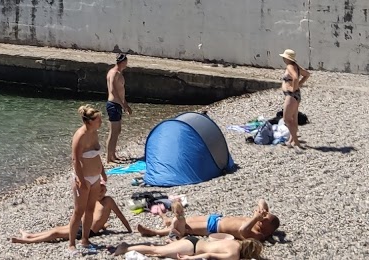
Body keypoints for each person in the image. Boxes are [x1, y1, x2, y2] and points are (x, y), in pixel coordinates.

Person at [135, 197, 281, 241]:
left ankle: (153, 232)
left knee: (183, 229)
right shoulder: (261, 222)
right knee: (181, 219)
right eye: (263, 216)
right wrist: (261, 209)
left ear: (268, 230)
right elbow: (262, 200)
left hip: (213, 228)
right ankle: (165, 218)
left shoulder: (259, 235)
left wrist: (255, 217)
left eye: (264, 220)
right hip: (215, 218)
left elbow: (243, 230)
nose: (261, 218)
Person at [11, 194, 133, 243]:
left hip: (87, 230)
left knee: (56, 233)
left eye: (103, 189)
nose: (101, 192)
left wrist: (129, 230)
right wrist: (103, 226)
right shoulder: (94, 199)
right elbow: (98, 216)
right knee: (57, 228)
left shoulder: (108, 201)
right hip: (82, 223)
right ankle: (30, 235)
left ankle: (27, 241)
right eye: (99, 190)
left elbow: (120, 215)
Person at [69, 105, 108, 252]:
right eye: (99, 120)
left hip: (95, 177)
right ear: (90, 121)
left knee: (90, 209)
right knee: (79, 211)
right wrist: (80, 179)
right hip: (83, 178)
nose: (101, 122)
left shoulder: (94, 133)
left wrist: (103, 171)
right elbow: (75, 160)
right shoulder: (80, 135)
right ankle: (71, 244)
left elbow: (97, 155)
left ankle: (85, 239)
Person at [108, 233, 265, 259]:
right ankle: (126, 248)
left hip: (193, 241)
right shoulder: (234, 255)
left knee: (158, 251)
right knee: (156, 250)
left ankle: (130, 247)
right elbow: (210, 255)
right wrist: (191, 259)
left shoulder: (234, 241)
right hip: (191, 249)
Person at [279, 49, 310, 148]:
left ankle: (296, 141)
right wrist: (298, 86)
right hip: (296, 95)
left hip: (291, 95)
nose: (283, 58)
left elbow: (296, 77)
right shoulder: (296, 66)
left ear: (287, 58)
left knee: (287, 119)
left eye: (284, 57)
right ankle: (291, 141)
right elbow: (307, 74)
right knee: (294, 119)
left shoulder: (289, 66)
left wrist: (294, 87)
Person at [106, 53, 134, 162]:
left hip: (118, 104)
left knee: (117, 131)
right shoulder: (114, 73)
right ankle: (109, 158)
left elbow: (121, 92)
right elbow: (113, 90)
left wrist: (126, 105)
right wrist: (122, 105)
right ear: (122, 62)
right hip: (113, 104)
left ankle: (113, 155)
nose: (127, 64)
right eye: (126, 62)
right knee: (113, 132)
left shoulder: (119, 73)